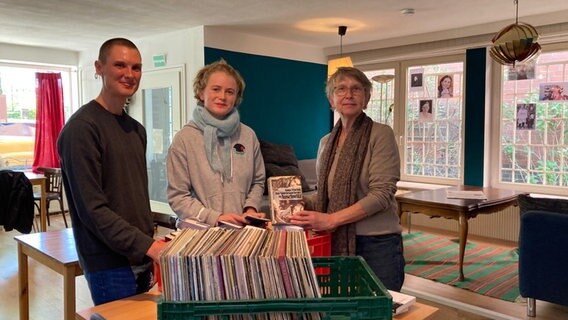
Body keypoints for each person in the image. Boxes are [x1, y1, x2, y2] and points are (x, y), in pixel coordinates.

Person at [57, 38, 167, 305]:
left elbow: (133, 196)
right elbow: (93, 210)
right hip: (109, 264)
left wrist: (148, 244)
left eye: (136, 67)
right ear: (99, 67)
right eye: (120, 65)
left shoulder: (136, 130)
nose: (129, 74)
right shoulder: (82, 129)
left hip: (142, 255)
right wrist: (148, 246)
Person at [289, 67, 404, 291]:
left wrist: (331, 220)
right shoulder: (325, 142)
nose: (348, 95)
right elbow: (326, 193)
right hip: (335, 240)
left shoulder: (381, 134)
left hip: (376, 244)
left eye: (356, 89)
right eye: (340, 89)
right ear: (331, 100)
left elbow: (381, 195)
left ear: (367, 98)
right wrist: (299, 202)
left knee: (378, 309)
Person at [167, 59, 266, 228]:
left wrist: (250, 208)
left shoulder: (248, 135)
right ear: (201, 93)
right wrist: (216, 217)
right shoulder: (184, 139)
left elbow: (258, 181)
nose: (222, 96)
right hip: (199, 236)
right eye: (216, 89)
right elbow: (178, 197)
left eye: (230, 92)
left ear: (236, 98)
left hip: (241, 234)